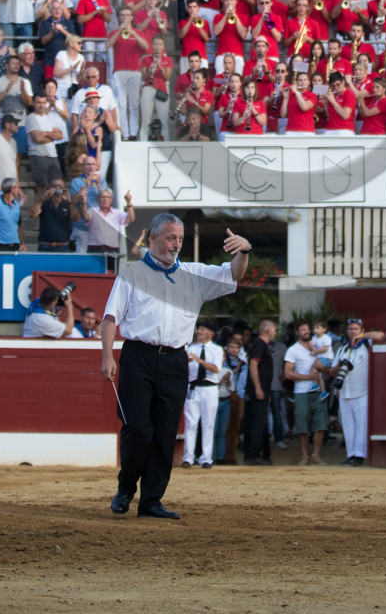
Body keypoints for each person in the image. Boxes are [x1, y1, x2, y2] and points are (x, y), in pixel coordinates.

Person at [101, 215, 251, 519]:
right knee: (138, 429)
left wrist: (244, 250)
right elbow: (110, 319)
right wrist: (107, 356)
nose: (177, 244)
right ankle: (126, 488)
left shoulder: (194, 274)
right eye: (171, 238)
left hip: (174, 360)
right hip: (138, 356)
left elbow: (234, 274)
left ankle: (151, 500)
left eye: (180, 239)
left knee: (165, 432)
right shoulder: (131, 275)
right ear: (153, 239)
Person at [325, 317, 385, 466]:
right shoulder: (342, 349)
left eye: (356, 329)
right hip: (345, 391)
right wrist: (337, 369)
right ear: (346, 331)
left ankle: (360, 455)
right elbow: (332, 371)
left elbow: (381, 335)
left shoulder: (366, 345)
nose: (353, 331)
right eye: (351, 329)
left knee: (361, 424)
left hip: (362, 391)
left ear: (361, 330)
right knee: (348, 426)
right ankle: (351, 454)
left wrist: (362, 337)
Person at [283, 320, 329, 466]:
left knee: (320, 423)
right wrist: (308, 377)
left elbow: (328, 364)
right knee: (302, 424)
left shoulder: (318, 346)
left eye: (307, 329)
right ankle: (304, 455)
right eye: (302, 329)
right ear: (297, 332)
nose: (306, 331)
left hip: (317, 390)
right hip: (302, 391)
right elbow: (288, 373)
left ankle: (315, 454)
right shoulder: (293, 350)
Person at [182, 321, 224, 469]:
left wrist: (198, 360)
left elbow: (215, 369)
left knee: (208, 424)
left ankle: (206, 458)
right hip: (193, 387)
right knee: (191, 423)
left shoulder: (217, 350)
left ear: (210, 333)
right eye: (199, 329)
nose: (198, 331)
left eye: (202, 329)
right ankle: (188, 457)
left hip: (209, 388)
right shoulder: (191, 349)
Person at [243, 318, 277, 466]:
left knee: (260, 422)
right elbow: (253, 365)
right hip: (258, 390)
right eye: (274, 330)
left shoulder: (260, 345)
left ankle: (263, 454)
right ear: (268, 330)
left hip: (262, 390)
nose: (275, 333)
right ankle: (253, 453)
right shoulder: (259, 345)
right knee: (259, 422)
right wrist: (258, 387)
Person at [35, 178, 74, 252]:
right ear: (50, 188)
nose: (57, 189)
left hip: (63, 246)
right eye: (55, 186)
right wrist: (42, 199)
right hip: (45, 246)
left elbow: (76, 218)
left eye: (60, 187)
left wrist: (69, 200)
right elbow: (33, 213)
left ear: (64, 189)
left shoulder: (67, 204)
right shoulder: (44, 203)